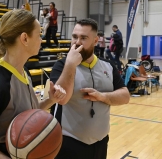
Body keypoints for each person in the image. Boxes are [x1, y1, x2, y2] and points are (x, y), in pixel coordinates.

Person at [0, 9, 67, 158]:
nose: (41, 39)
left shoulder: (23, 72)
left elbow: (26, 114)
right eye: (39, 34)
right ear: (24, 38)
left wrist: (51, 100)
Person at [50, 18, 130, 159]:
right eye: (74, 37)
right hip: (68, 143)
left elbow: (125, 96)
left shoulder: (108, 66)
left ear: (95, 41)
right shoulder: (61, 66)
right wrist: (70, 64)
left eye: (83, 38)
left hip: (100, 142)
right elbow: (61, 99)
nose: (77, 42)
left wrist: (103, 97)